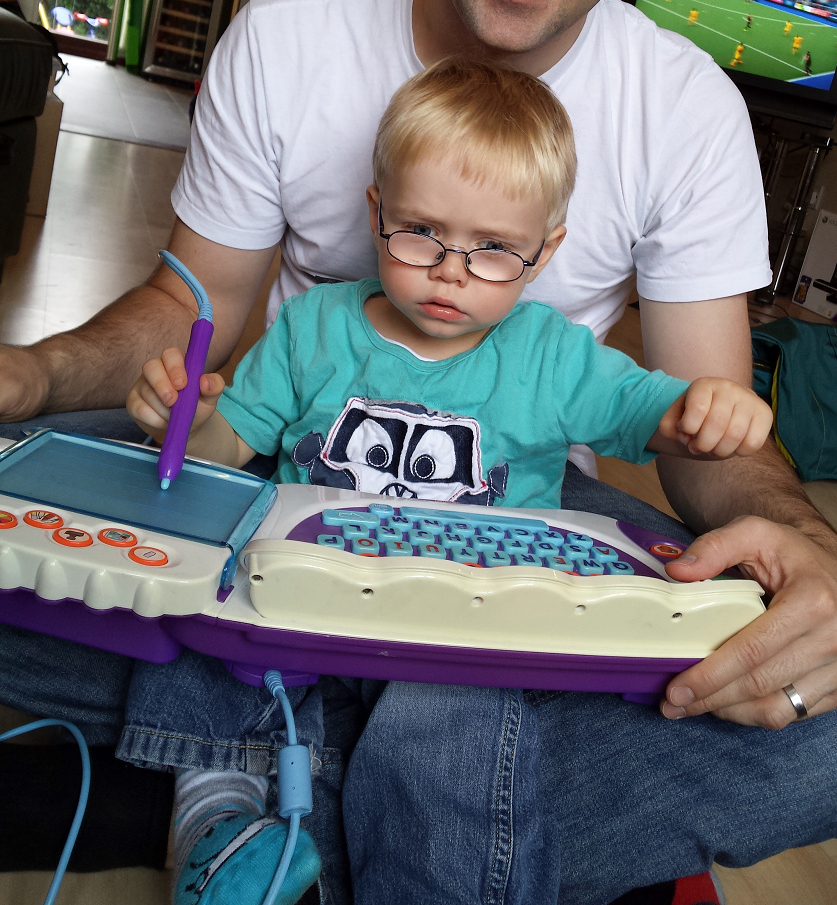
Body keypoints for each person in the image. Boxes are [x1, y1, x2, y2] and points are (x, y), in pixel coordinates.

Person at [1, 0, 837, 902]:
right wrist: (36, 376)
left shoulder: (687, 114)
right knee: (62, 511)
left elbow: (697, 429)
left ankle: (241, 778)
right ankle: (425, 807)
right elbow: (193, 318)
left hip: (508, 520)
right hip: (286, 490)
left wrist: (808, 545)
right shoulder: (287, 48)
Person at [127, 58, 774, 905]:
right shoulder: (314, 325)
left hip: (461, 617)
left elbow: (643, 406)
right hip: (297, 589)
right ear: (376, 212)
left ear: (545, 252)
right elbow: (223, 447)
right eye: (421, 231)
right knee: (206, 624)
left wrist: (703, 408)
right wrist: (180, 420)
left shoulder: (549, 354)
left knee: (457, 734)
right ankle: (220, 825)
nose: (450, 270)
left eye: (494, 249)